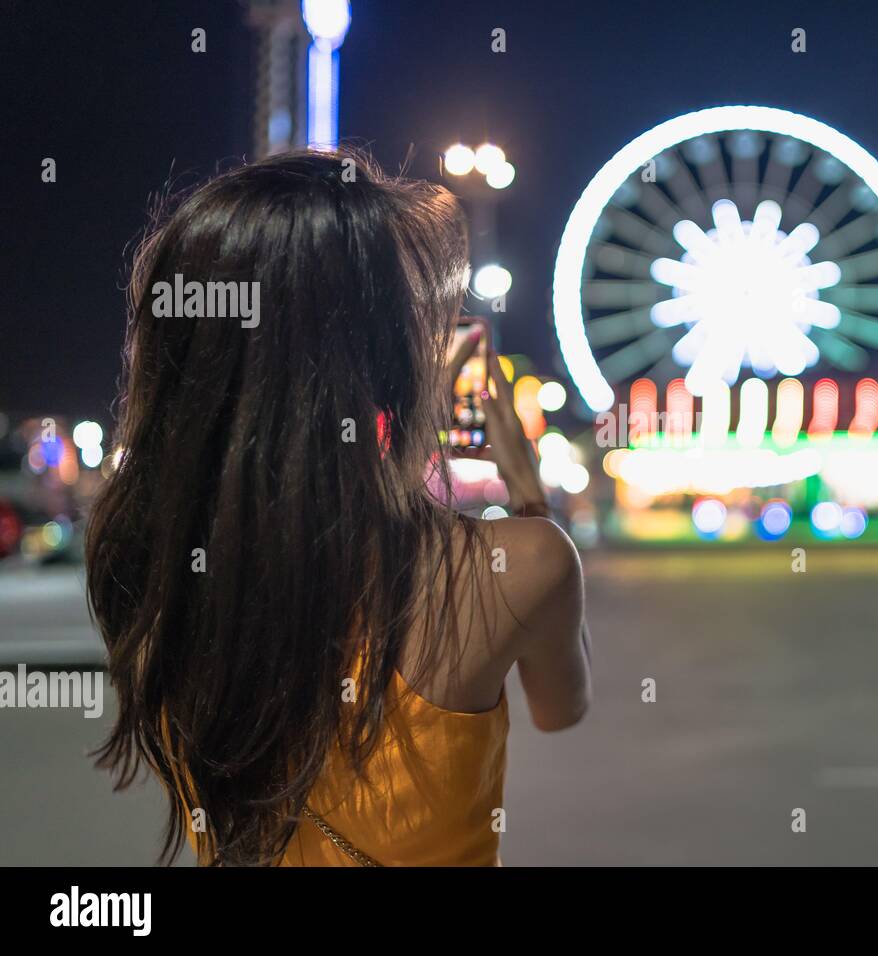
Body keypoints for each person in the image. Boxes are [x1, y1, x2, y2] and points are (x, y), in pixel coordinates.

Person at [84, 149, 591, 866]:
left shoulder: (138, 554)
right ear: (385, 366)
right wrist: (526, 488)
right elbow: (561, 708)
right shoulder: (520, 565)